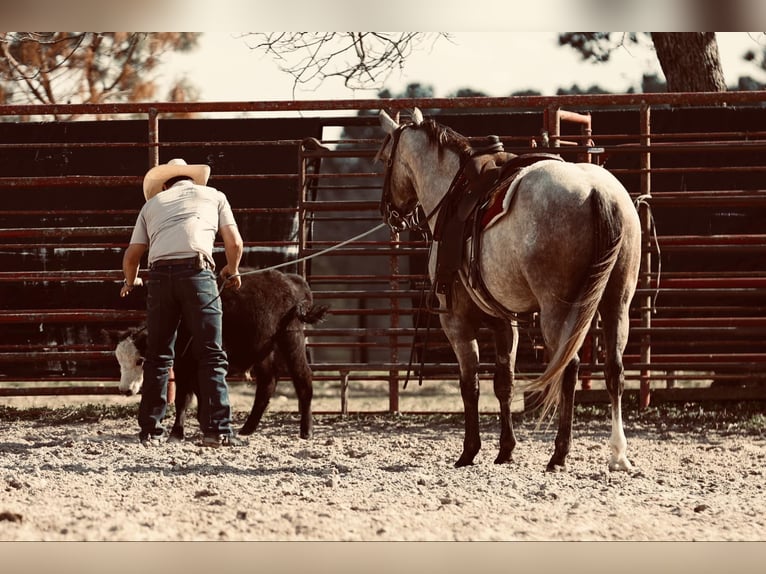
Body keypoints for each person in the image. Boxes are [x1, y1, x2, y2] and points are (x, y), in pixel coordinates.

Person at [120, 158, 246, 448]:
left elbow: (131, 256)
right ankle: (217, 431)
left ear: (165, 185)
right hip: (198, 273)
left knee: (159, 356)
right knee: (211, 354)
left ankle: (150, 432)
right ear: (191, 180)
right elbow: (235, 243)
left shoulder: (152, 205)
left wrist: (130, 282)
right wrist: (233, 269)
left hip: (161, 276)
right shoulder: (214, 196)